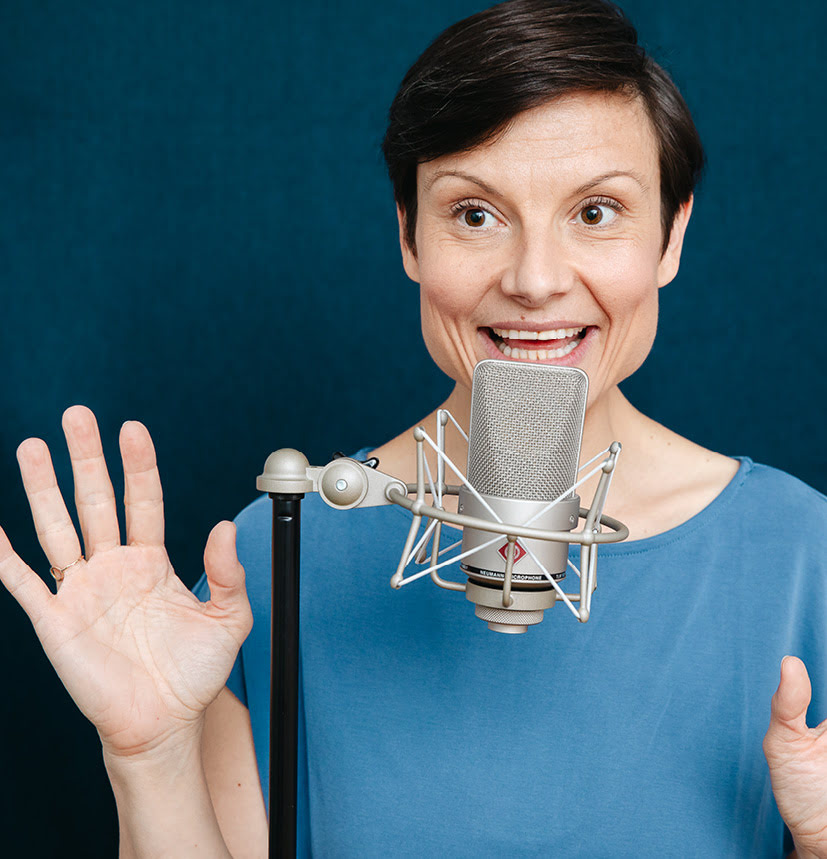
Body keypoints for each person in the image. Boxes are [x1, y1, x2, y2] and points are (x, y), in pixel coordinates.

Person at [1, 0, 826, 856]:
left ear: (670, 234)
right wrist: (150, 753)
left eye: (594, 213)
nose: (535, 280)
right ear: (409, 236)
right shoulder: (278, 554)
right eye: (475, 213)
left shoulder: (802, 557)